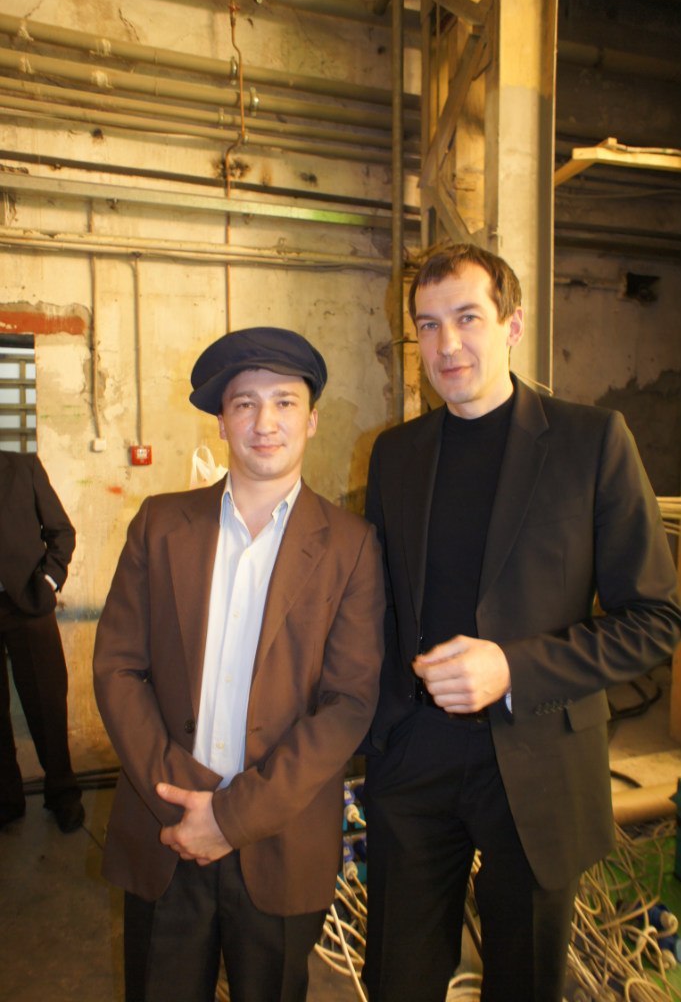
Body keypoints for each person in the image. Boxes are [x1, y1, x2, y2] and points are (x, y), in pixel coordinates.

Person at [361, 243, 681, 1002]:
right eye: (427, 324)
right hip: (414, 758)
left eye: (467, 317)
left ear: (512, 325)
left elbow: (654, 618)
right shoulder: (395, 454)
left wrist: (512, 668)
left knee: (525, 981)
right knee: (398, 979)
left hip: (537, 758)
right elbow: (378, 606)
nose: (446, 343)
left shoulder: (590, 441)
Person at [93, 326, 385, 1002]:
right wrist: (181, 801)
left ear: (311, 420)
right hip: (166, 831)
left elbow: (348, 703)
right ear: (221, 421)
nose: (265, 422)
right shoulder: (160, 525)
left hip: (280, 839)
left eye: (284, 403)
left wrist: (231, 817)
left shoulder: (349, 546)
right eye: (245, 403)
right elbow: (118, 668)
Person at [0, 449, 83, 833]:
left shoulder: (22, 467)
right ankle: (7, 799)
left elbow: (61, 531)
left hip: (28, 605)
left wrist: (47, 583)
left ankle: (62, 794)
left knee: (47, 704)